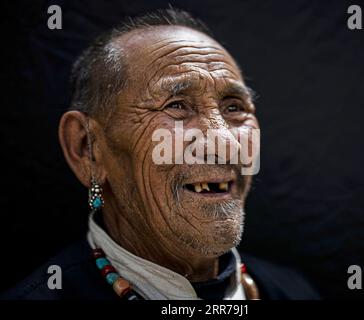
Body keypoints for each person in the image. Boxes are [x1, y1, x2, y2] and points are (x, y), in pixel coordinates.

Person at [1, 8, 319, 300]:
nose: (226, 143)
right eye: (176, 105)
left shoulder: (293, 292)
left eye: (234, 107)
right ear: (88, 149)